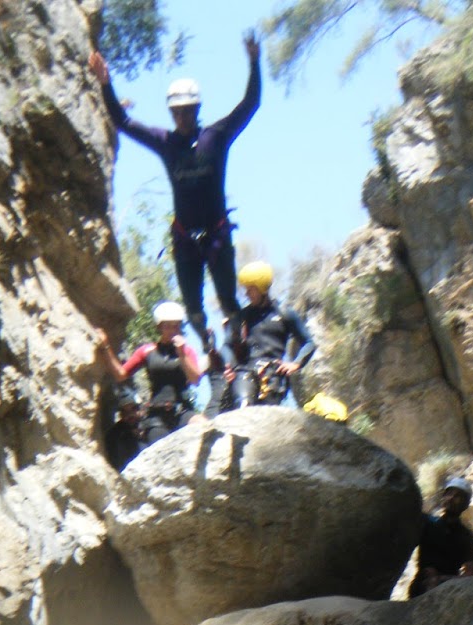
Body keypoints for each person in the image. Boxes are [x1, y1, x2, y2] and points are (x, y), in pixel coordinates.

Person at [88, 34, 260, 351]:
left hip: (217, 233)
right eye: (176, 112)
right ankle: (207, 342)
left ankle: (239, 344)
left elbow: (250, 104)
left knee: (227, 300)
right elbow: (122, 121)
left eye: (187, 110)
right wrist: (105, 84)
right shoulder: (165, 142)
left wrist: (254, 62)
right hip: (185, 238)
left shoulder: (216, 137)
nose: (181, 117)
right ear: (171, 113)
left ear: (197, 109)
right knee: (192, 308)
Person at [95, 302, 202, 446]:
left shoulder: (187, 351)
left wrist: (181, 354)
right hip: (157, 416)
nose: (173, 330)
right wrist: (105, 347)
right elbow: (121, 374)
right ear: (159, 327)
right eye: (168, 326)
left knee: (203, 426)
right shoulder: (147, 351)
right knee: (161, 450)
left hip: (182, 411)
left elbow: (196, 380)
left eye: (176, 325)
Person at [231, 260, 315, 404]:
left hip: (273, 374)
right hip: (246, 371)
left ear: (262, 288)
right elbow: (228, 345)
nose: (246, 293)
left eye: (250, 289)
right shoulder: (243, 316)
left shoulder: (284, 313)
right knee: (243, 404)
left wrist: (296, 364)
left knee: (265, 410)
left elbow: (309, 343)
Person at [410, 476, 473, 596]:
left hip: (450, 588)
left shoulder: (467, 538)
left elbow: (470, 573)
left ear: (465, 504)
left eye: (457, 496)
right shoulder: (427, 523)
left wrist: (442, 579)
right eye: (449, 494)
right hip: (421, 585)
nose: (451, 498)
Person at [104, 384, 144, 471]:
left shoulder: (149, 426)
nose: (130, 415)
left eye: (133, 409)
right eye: (125, 412)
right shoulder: (115, 435)